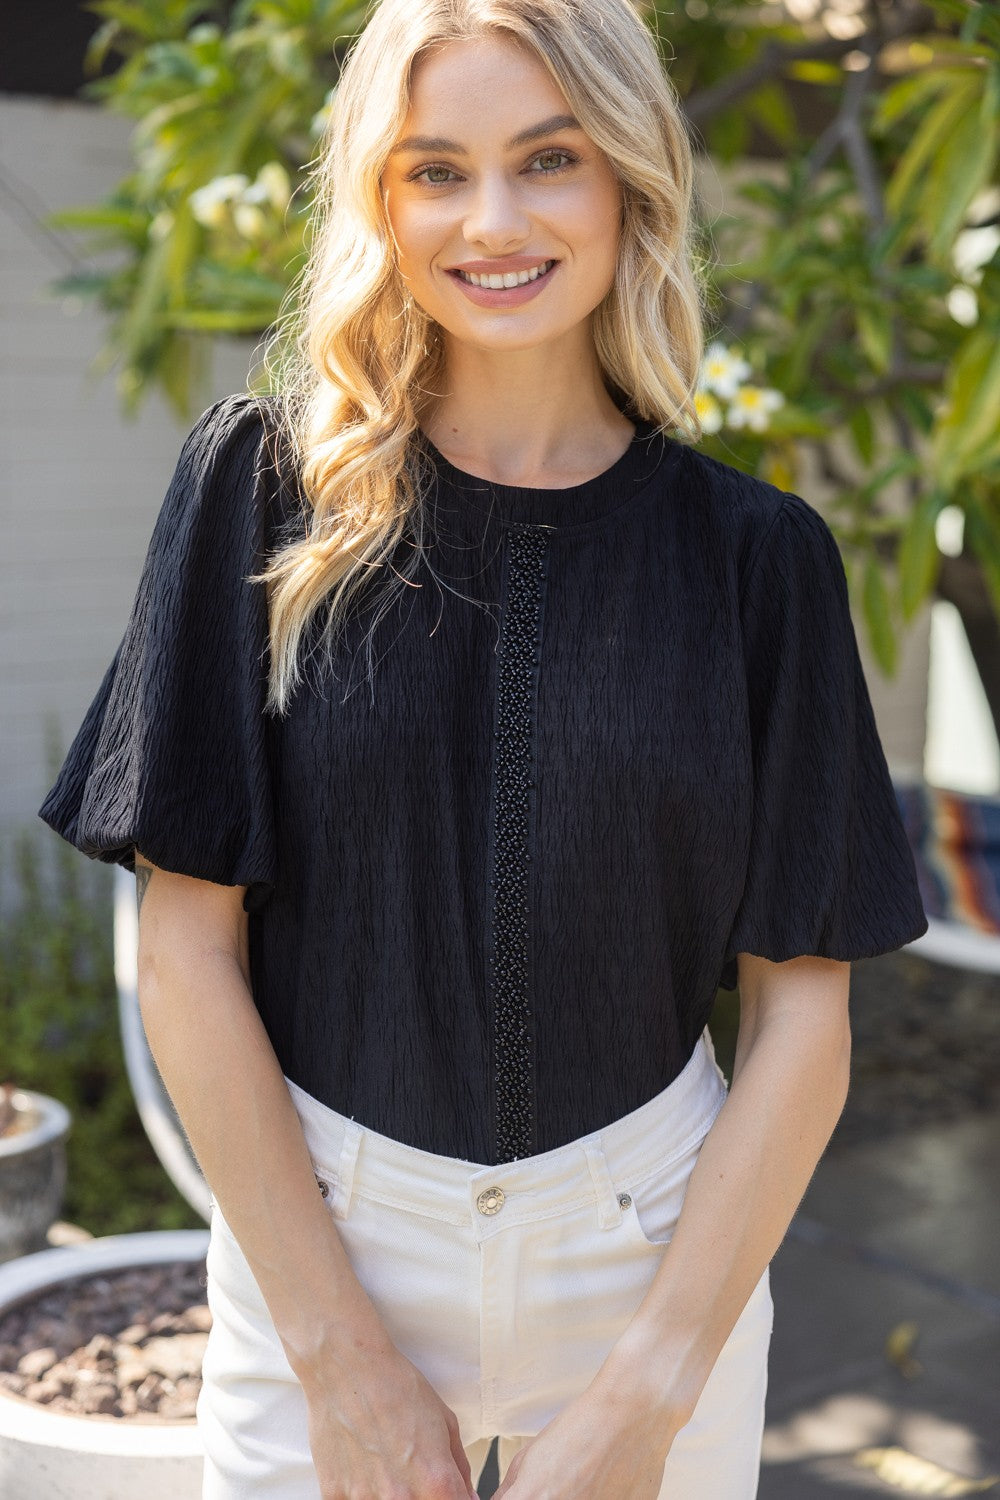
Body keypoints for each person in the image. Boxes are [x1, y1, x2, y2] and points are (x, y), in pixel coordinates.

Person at [38, 0, 929, 1496]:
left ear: (630, 176)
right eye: (437, 168)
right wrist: (338, 1359)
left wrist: (651, 1392)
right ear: (378, 193)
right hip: (326, 1256)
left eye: (548, 159)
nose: (493, 220)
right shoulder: (261, 494)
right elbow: (183, 951)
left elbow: (803, 1021)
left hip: (655, 1262)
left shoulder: (756, 560)